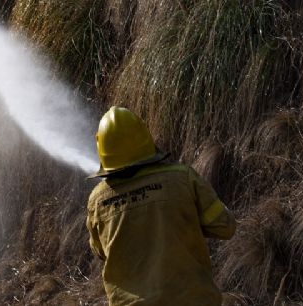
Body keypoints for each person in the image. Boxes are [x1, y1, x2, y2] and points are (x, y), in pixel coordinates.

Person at [86, 106, 236, 306]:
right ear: (145, 138)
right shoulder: (183, 178)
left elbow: (99, 251)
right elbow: (225, 227)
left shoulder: (98, 200)